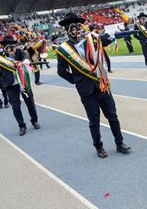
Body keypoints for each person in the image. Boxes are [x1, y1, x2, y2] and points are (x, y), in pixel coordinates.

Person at [56, 13, 131, 158]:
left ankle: (119, 143)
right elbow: (61, 71)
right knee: (94, 121)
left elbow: (106, 39)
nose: (76, 30)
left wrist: (114, 34)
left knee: (113, 117)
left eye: (78, 26)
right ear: (67, 30)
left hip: (102, 85)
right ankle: (99, 147)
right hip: (86, 91)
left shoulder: (92, 39)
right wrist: (76, 81)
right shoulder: (64, 50)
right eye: (72, 28)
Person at [0, 35, 40, 136]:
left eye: (13, 45)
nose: (11, 48)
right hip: (10, 85)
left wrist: (25, 62)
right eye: (8, 46)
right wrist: (3, 79)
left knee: (30, 102)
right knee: (16, 107)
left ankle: (34, 121)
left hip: (23, 82)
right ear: (3, 47)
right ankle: (22, 126)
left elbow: (26, 56)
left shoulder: (19, 52)